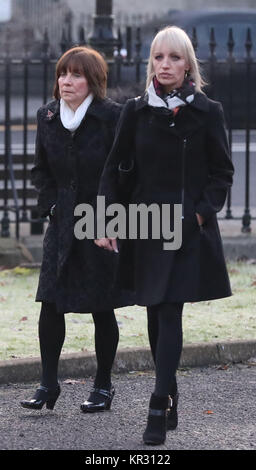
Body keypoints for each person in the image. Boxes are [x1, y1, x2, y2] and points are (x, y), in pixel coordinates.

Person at [95, 26, 234, 445]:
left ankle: (157, 403)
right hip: (145, 226)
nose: (165, 65)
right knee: (155, 312)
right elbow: (114, 170)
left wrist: (197, 217)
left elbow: (221, 173)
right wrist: (104, 221)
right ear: (150, 63)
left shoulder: (209, 111)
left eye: (174, 58)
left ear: (188, 64)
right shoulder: (134, 112)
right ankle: (170, 386)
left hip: (187, 229)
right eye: (158, 58)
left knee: (170, 308)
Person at [20, 46, 133, 413]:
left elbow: (123, 172)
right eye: (62, 74)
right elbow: (40, 171)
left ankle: (103, 386)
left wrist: (111, 217)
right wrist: (51, 206)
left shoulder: (112, 117)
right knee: (50, 303)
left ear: (94, 81)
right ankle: (47, 384)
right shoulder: (48, 116)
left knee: (102, 306)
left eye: (76, 75)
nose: (66, 81)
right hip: (61, 224)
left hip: (100, 222)